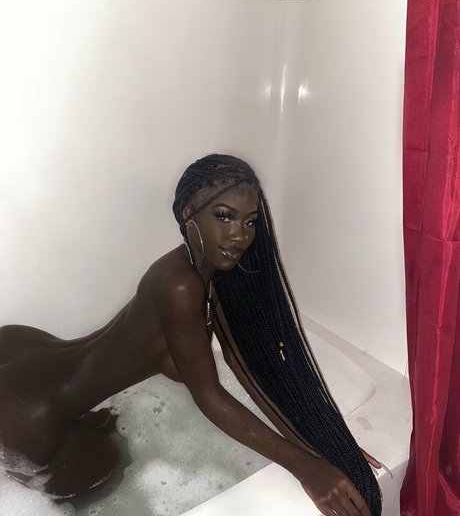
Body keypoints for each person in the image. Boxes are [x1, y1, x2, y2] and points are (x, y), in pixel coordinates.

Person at [0, 154, 382, 516]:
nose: (239, 235)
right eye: (224, 216)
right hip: (30, 412)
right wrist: (306, 469)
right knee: (106, 480)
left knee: (109, 444)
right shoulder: (181, 286)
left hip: (32, 358)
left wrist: (322, 447)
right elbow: (209, 396)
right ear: (187, 213)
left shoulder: (205, 269)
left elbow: (243, 363)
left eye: (250, 222)